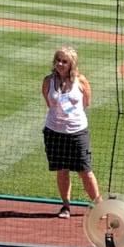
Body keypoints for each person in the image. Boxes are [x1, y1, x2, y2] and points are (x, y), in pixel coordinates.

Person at [41, 46, 101, 217]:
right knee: (62, 170)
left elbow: (86, 102)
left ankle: (99, 205)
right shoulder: (48, 81)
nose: (60, 64)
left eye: (64, 61)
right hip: (54, 131)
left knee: (85, 171)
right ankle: (65, 206)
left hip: (76, 132)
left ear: (71, 64)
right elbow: (48, 101)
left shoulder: (80, 81)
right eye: (58, 60)